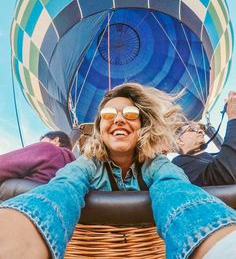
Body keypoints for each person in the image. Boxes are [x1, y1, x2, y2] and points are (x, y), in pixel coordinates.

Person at [0, 83, 236, 259]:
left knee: (173, 187)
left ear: (142, 126)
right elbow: (62, 190)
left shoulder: (158, 164)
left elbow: (178, 192)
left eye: (131, 114)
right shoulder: (87, 164)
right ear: (100, 128)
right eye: (109, 115)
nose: (119, 120)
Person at [172, 91, 236, 186]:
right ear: (179, 140)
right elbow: (223, 177)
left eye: (201, 128)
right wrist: (233, 117)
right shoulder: (179, 164)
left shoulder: (214, 156)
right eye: (192, 128)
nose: (201, 131)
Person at [0, 131, 76, 184]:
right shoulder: (72, 167)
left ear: (56, 140)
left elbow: (3, 165)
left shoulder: (49, 148)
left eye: (41, 142)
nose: (38, 144)